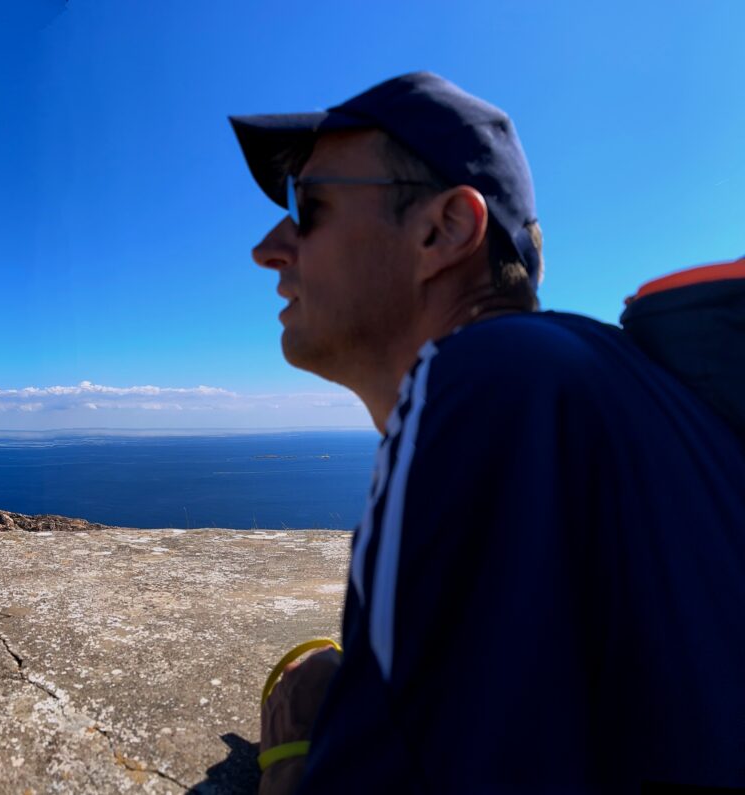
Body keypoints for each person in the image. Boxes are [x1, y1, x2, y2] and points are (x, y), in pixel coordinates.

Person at [228, 72, 745, 793]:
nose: (269, 247)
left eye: (308, 206)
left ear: (444, 231)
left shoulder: (473, 381)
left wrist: (294, 747)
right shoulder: (606, 383)